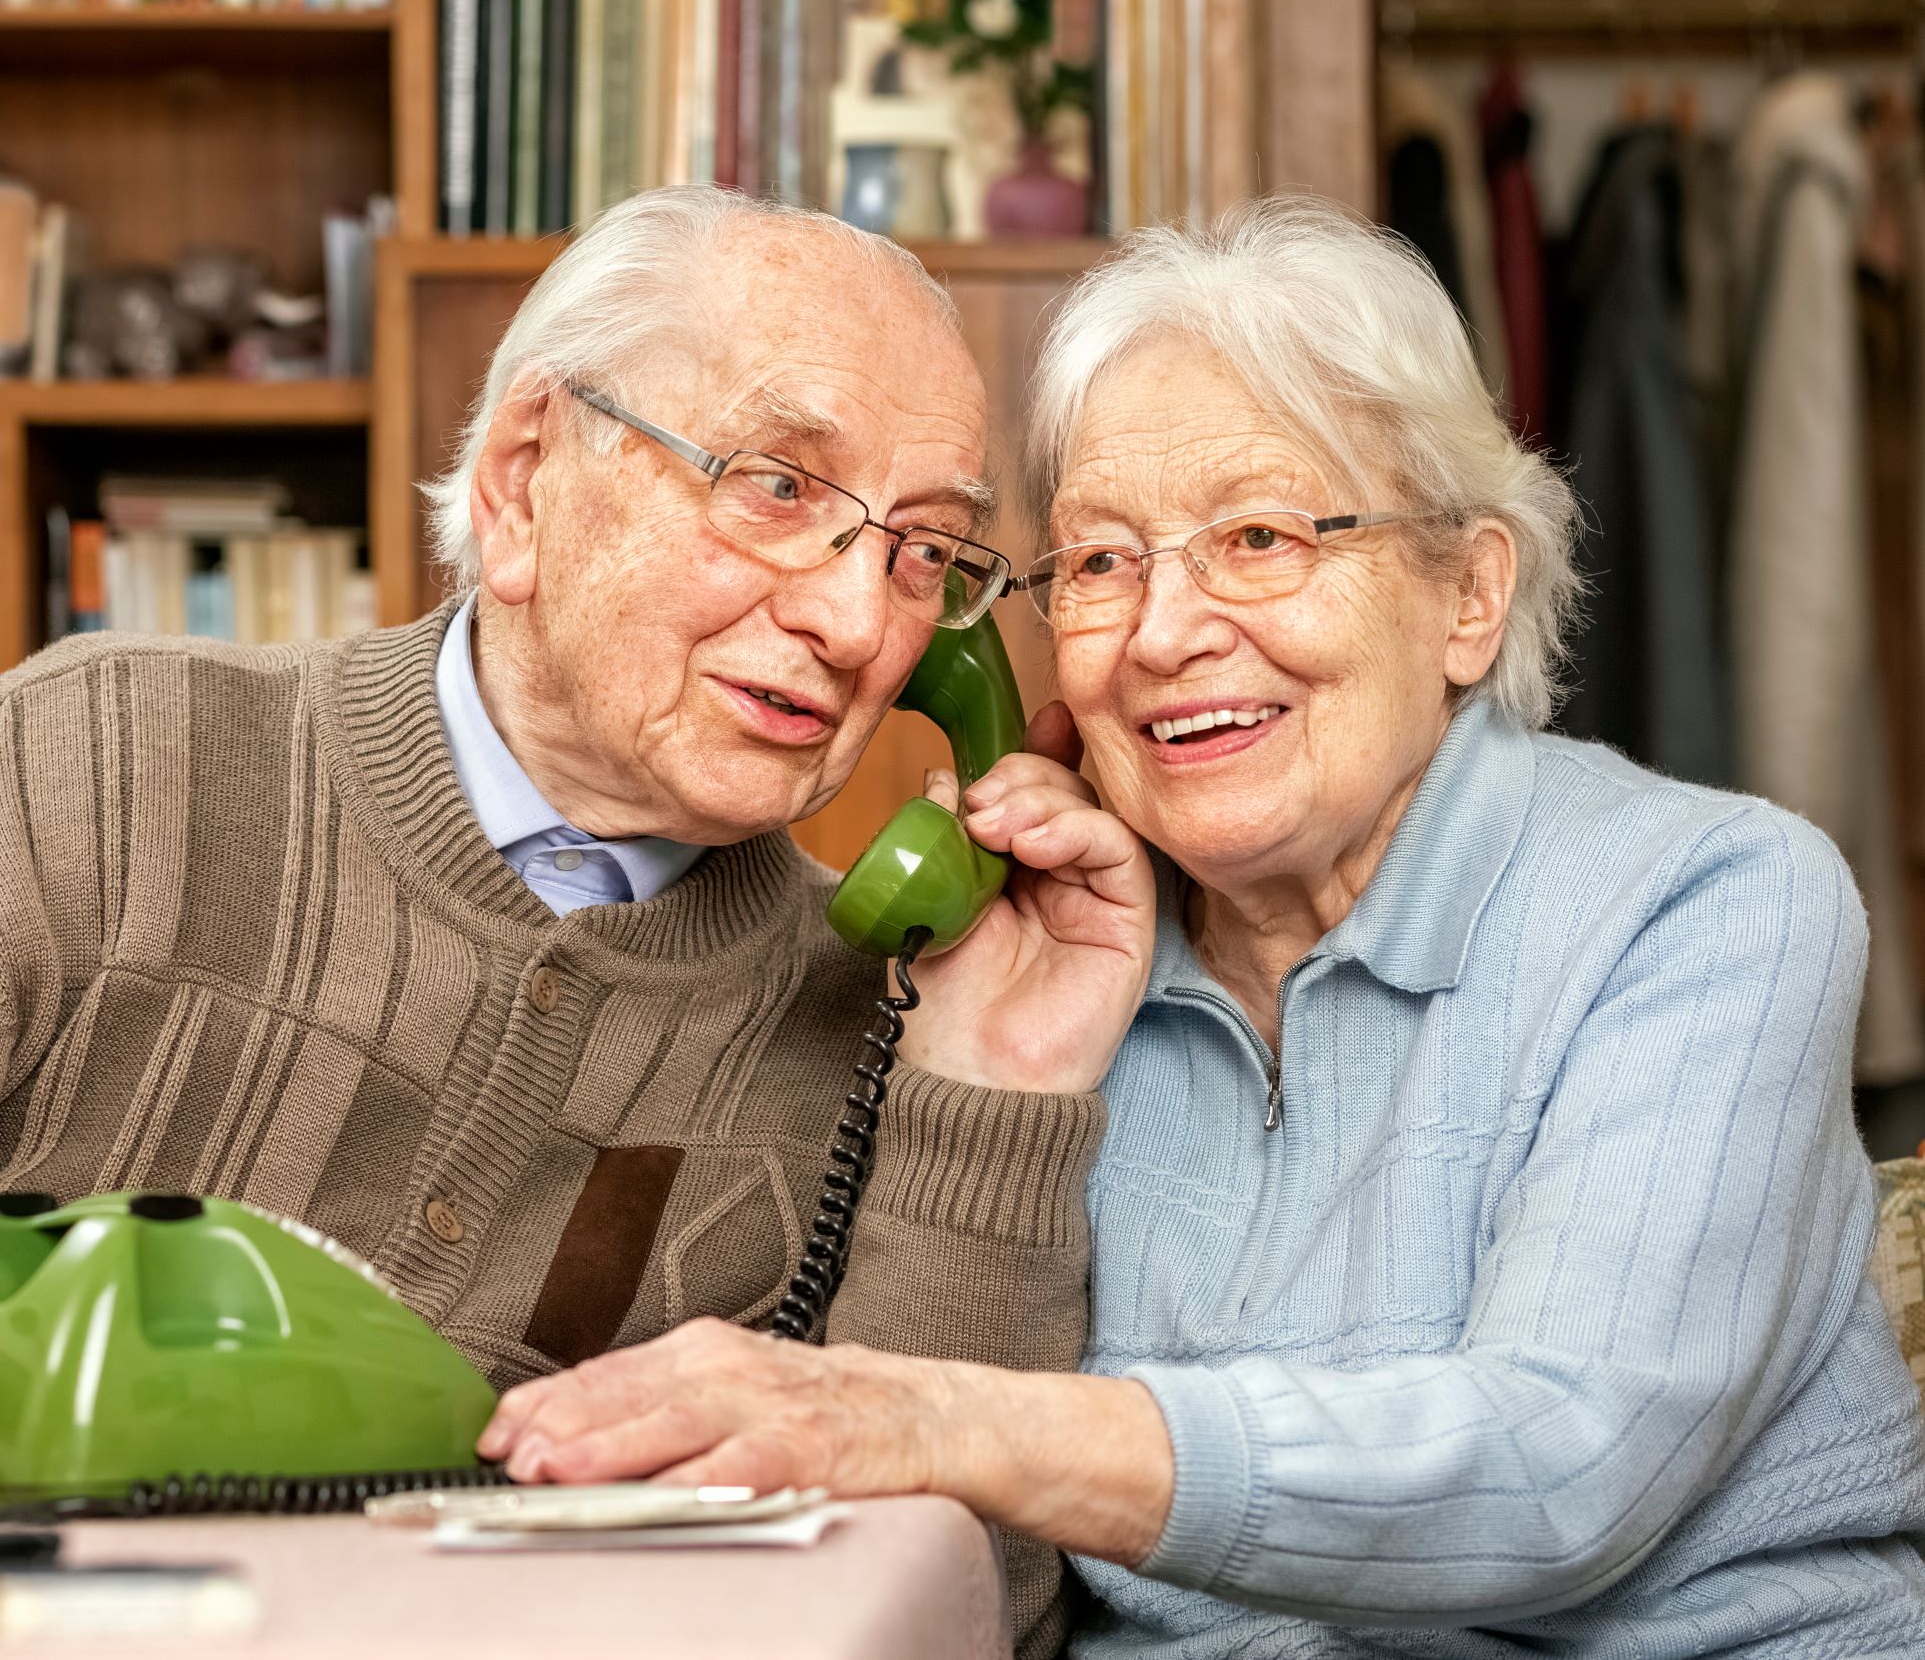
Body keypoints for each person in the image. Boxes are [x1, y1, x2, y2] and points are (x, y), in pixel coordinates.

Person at [0, 187, 1122, 1657]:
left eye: (924, 558)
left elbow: (956, 1607)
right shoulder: (108, 762)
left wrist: (997, 1089)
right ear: (529, 479)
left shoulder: (877, 1011)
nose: (849, 616)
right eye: (776, 487)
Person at [478, 198, 1925, 1653]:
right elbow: (929, 1567)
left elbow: (1561, 1468)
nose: (1166, 631)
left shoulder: (1709, 903)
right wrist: (994, 1083)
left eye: (1258, 535)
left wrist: (927, 1415)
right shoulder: (1058, 966)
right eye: (1100, 563)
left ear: (1469, 594)